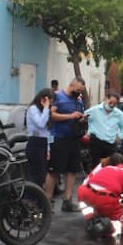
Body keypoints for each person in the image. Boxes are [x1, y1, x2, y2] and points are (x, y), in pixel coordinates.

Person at [45, 77, 87, 212]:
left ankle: (67, 200)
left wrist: (81, 119)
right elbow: (51, 115)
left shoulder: (78, 100)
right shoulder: (58, 97)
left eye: (82, 91)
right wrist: (70, 116)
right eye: (78, 90)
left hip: (74, 139)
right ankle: (47, 201)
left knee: (72, 170)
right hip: (59, 138)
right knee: (54, 171)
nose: (79, 93)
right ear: (71, 85)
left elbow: (78, 115)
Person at [77, 153, 123, 236]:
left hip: (84, 192)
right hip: (105, 198)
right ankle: (104, 229)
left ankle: (90, 219)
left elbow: (89, 179)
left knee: (89, 203)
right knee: (122, 221)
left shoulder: (106, 167)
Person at [84, 92, 123, 164]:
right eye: (110, 102)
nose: (112, 105)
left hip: (110, 143)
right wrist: (88, 131)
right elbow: (84, 118)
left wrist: (120, 136)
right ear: (106, 99)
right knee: (95, 165)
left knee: (110, 166)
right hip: (96, 141)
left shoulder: (118, 114)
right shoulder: (94, 110)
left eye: (114, 104)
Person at [25, 88, 53, 187]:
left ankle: (38, 198)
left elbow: (47, 132)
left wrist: (48, 149)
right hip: (35, 143)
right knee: (35, 174)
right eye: (49, 101)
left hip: (43, 143)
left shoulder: (46, 110)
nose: (50, 104)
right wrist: (46, 108)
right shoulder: (33, 109)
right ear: (43, 99)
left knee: (42, 174)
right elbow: (40, 123)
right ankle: (30, 199)